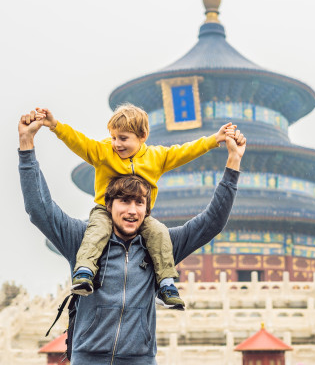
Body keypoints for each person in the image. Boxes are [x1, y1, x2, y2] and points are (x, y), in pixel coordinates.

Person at [18, 110, 246, 365]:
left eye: (139, 203)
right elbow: (39, 209)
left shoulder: (160, 243)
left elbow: (211, 223)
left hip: (140, 359)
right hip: (88, 358)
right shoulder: (83, 238)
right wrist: (27, 146)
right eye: (123, 201)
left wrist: (233, 162)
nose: (132, 211)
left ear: (147, 207)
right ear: (109, 204)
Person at [34, 104, 236, 310]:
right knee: (97, 230)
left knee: (159, 233)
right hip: (105, 211)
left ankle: (166, 284)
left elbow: (185, 151)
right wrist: (55, 125)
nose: (116, 144)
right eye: (113, 137)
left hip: (141, 216)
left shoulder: (156, 157)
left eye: (123, 138)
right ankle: (85, 270)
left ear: (142, 135)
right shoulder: (103, 152)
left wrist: (214, 140)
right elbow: (78, 141)